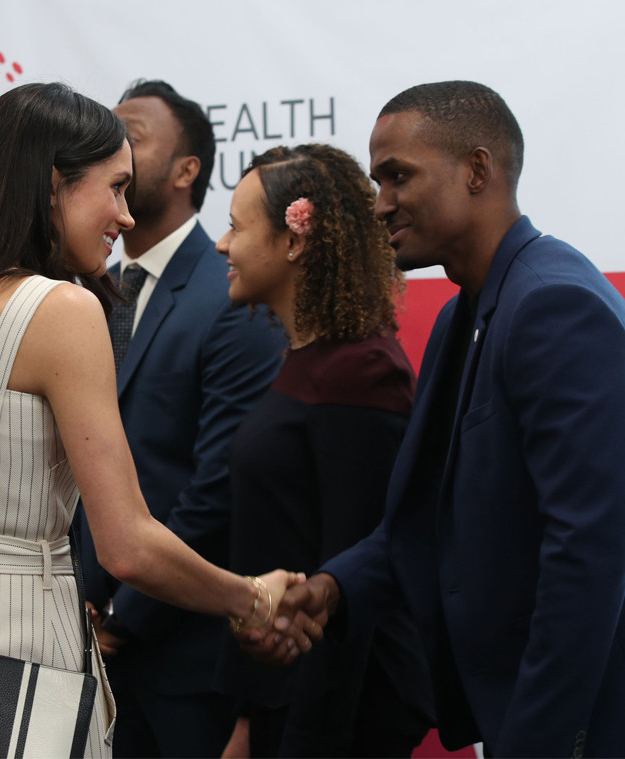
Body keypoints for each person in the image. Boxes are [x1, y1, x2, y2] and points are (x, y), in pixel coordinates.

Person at [0, 81, 300, 758]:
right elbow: (126, 544)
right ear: (53, 185)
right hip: (17, 663)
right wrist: (250, 598)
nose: (125, 216)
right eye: (114, 187)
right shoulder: (61, 311)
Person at [259, 81, 625, 757]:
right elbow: (425, 514)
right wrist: (337, 587)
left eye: (398, 176)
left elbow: (590, 554)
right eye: (375, 181)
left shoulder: (553, 306)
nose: (380, 204)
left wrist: (537, 743)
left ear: (478, 170)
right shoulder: (466, 312)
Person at [76, 79, 284, 759]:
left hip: (183, 657)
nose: (113, 148)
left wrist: (122, 620)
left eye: (131, 135)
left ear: (186, 169)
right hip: (84, 646)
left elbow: (217, 480)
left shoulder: (232, 291)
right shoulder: (89, 292)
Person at [212, 144, 433, 757]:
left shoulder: (360, 371)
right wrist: (250, 721)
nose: (221, 246)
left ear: (294, 239)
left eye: (235, 225)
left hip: (337, 719)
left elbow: (353, 581)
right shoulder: (307, 359)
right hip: (282, 702)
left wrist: (302, 742)